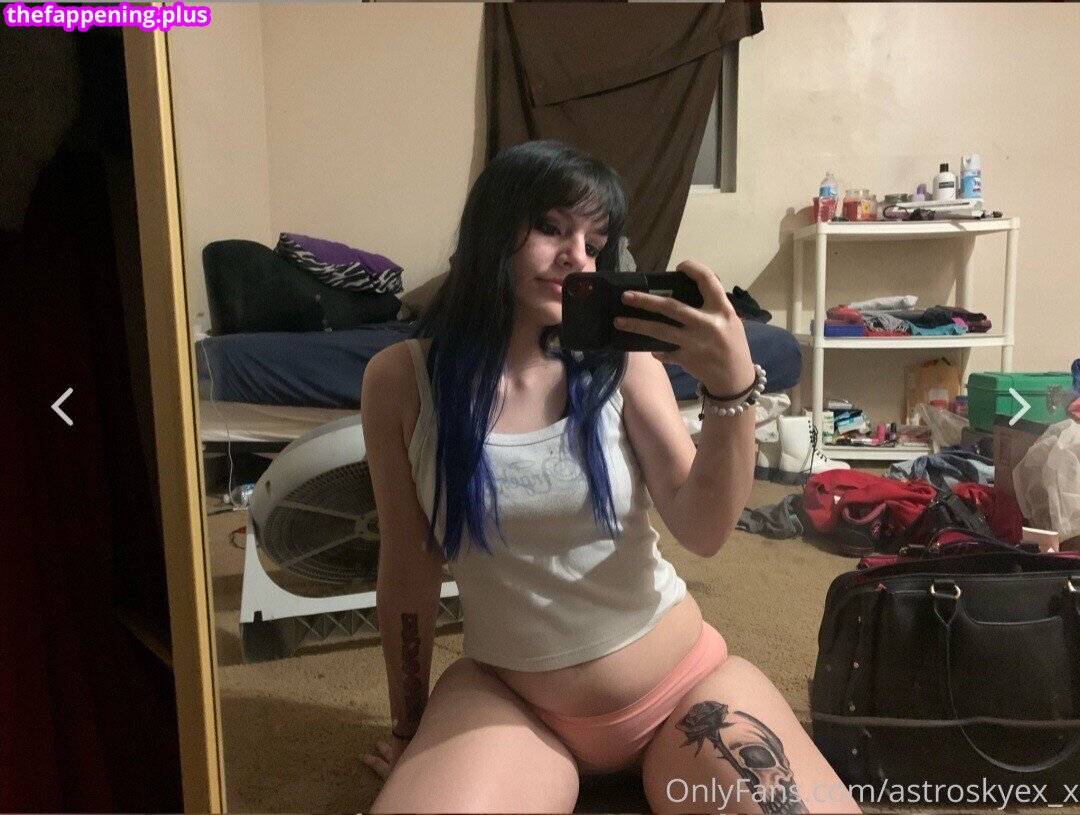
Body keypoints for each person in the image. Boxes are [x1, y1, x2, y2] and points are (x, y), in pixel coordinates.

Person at [358, 141, 859, 814]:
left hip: (684, 690)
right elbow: (407, 567)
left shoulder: (622, 365)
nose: (577, 257)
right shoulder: (402, 381)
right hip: (514, 704)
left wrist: (731, 391)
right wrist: (408, 728)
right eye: (551, 228)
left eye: (594, 244)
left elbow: (703, 529)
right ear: (491, 230)